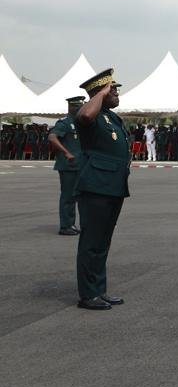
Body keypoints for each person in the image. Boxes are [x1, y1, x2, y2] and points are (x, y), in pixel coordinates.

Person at [73, 69, 130, 311]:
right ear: (100, 92)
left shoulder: (109, 117)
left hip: (113, 186)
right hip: (96, 185)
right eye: (112, 89)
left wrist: (103, 93)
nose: (116, 92)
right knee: (91, 242)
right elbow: (85, 114)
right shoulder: (90, 113)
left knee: (102, 242)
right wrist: (100, 93)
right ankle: (88, 295)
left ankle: (99, 289)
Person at [48, 96, 85, 236]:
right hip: (68, 165)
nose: (80, 109)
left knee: (77, 197)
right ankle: (65, 226)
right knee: (68, 197)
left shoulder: (80, 122)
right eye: (78, 107)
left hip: (80, 165)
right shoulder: (64, 122)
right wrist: (66, 152)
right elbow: (52, 137)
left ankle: (72, 224)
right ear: (71, 107)